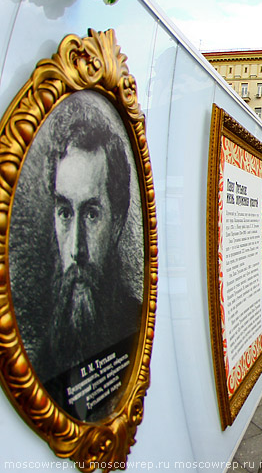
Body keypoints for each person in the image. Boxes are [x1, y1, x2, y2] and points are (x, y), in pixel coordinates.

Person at [37, 92, 142, 411]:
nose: (75, 249)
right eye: (65, 213)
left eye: (92, 213)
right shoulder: (42, 355)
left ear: (118, 220)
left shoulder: (138, 327)